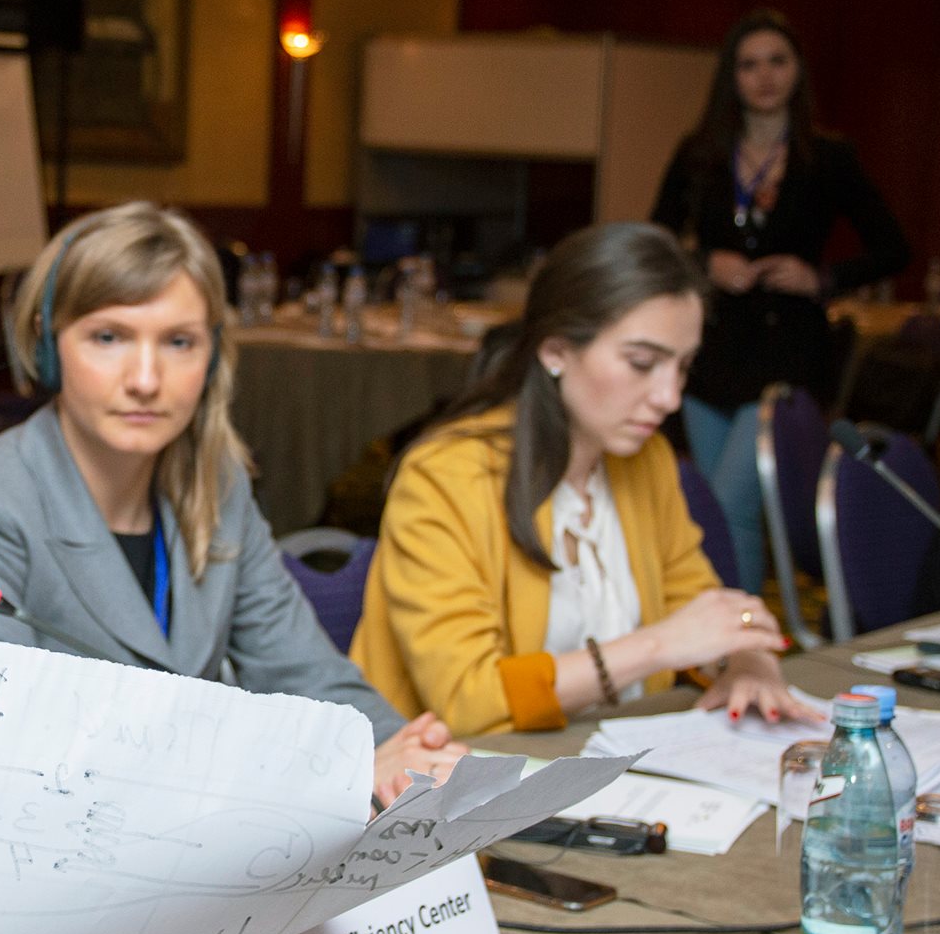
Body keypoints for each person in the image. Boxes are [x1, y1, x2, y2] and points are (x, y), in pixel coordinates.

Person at [0, 201, 463, 804]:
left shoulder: (217, 488)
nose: (145, 379)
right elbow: (7, 748)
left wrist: (396, 748)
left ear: (211, 356)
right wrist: (302, 765)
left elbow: (302, 669)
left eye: (178, 342)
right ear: (47, 348)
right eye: (108, 337)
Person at [351, 222, 820, 737]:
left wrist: (746, 661)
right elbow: (470, 698)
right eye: (641, 363)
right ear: (555, 352)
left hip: (613, 758)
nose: (669, 397)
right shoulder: (446, 477)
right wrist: (659, 645)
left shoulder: (646, 458)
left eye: (683, 366)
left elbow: (701, 605)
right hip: (460, 772)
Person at [650, 8, 908, 593]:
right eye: (749, 65)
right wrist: (705, 262)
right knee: (707, 513)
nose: (764, 77)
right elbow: (655, 238)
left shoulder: (828, 157)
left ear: (798, 71)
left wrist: (821, 278)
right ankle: (715, 624)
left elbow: (894, 248)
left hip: (787, 353)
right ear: (731, 76)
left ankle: (742, 633)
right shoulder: (701, 153)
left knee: (733, 504)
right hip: (710, 351)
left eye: (777, 61)